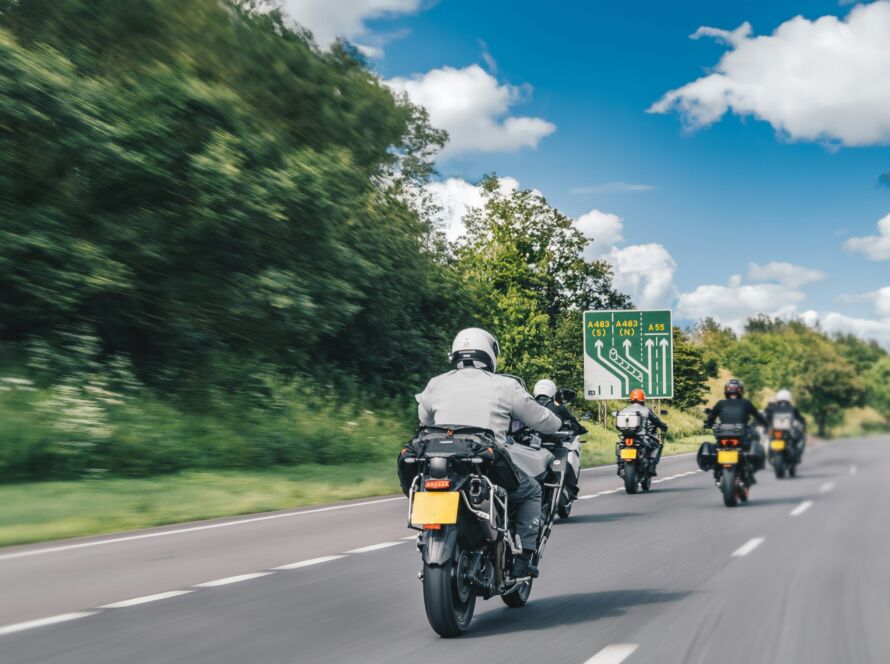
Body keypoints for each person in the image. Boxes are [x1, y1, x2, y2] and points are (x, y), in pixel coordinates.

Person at [415, 328, 563, 578]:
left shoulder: (436, 383)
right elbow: (541, 420)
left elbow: (424, 418)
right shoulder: (505, 385)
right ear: (490, 354)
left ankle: (427, 536)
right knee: (532, 491)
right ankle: (524, 557)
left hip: (441, 462)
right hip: (486, 462)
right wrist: (556, 422)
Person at [704, 379, 768, 471]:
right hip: (740, 435)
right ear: (741, 391)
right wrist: (766, 424)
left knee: (717, 447)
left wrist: (709, 424)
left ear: (726, 390)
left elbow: (711, 417)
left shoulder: (720, 403)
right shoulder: (746, 403)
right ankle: (747, 470)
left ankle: (718, 470)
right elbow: (758, 416)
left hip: (723, 435)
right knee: (752, 442)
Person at [616, 388, 668, 475]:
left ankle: (621, 465)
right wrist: (663, 426)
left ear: (631, 399)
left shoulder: (624, 410)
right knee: (657, 446)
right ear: (643, 399)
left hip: (626, 437)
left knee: (620, 447)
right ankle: (651, 467)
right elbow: (656, 421)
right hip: (642, 438)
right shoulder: (646, 410)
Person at [765, 388, 807, 459]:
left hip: (775, 430)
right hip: (787, 431)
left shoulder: (773, 408)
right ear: (789, 398)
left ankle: (770, 453)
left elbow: (767, 418)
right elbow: (800, 419)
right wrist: (804, 424)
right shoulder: (792, 408)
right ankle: (797, 455)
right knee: (801, 437)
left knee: (769, 438)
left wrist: (767, 425)